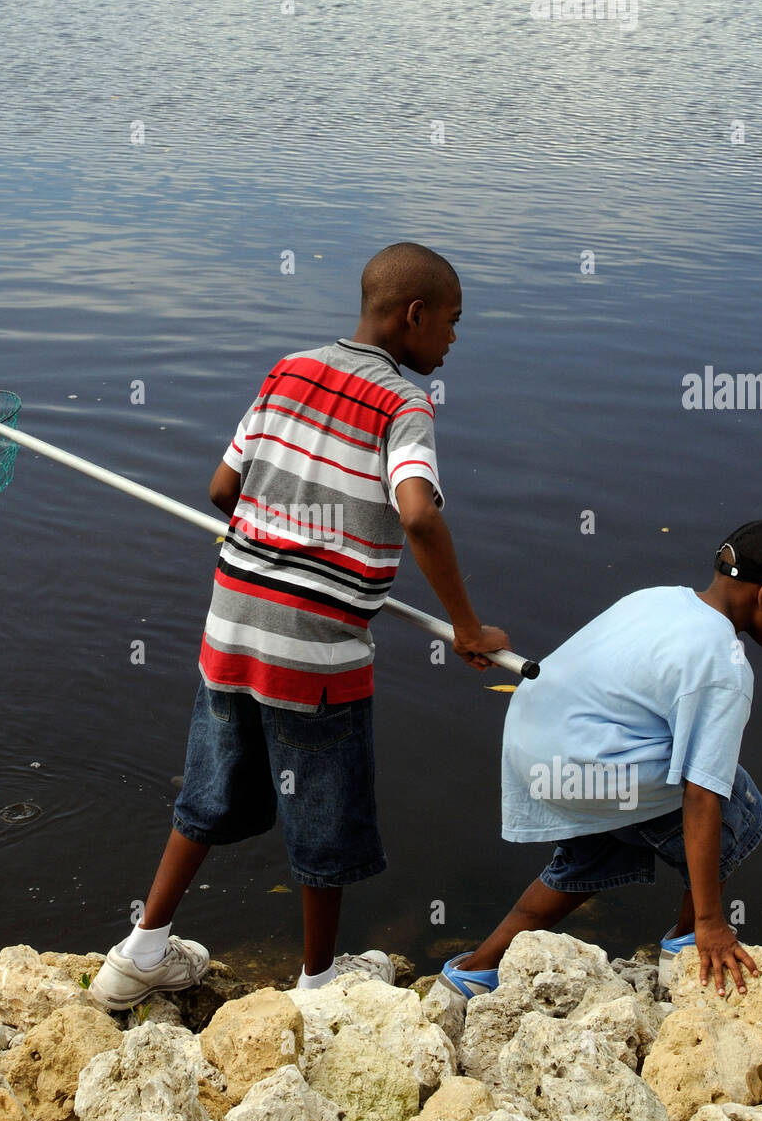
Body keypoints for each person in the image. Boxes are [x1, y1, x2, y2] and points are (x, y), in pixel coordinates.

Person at [89, 242, 511, 1010]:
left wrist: (278, 531)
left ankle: (139, 952)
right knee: (326, 814)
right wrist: (467, 624)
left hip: (231, 626)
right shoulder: (405, 405)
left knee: (209, 793)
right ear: (413, 315)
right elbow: (417, 512)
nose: (453, 340)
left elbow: (223, 486)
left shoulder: (288, 370)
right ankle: (318, 986)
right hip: (316, 653)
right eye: (451, 323)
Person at [439, 520, 762, 1000]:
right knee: (737, 801)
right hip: (588, 761)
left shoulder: (658, 598)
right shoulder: (723, 663)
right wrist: (713, 921)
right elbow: (703, 793)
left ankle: (476, 970)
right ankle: (691, 940)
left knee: (607, 842)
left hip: (536, 745)